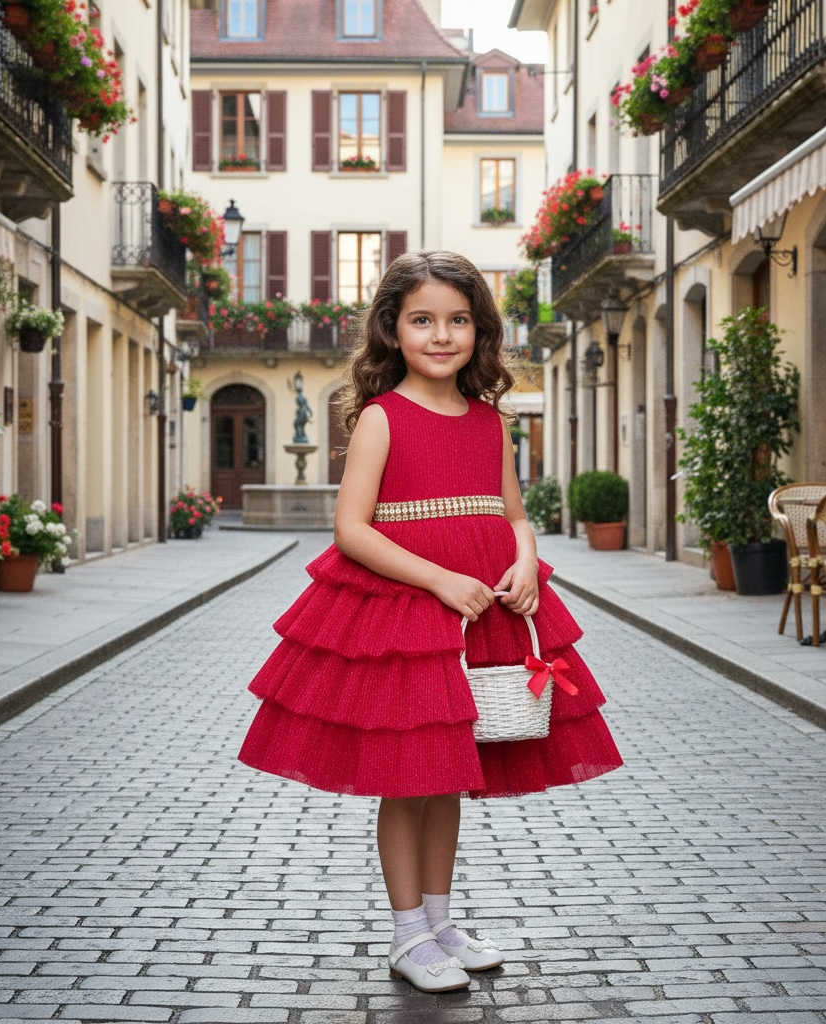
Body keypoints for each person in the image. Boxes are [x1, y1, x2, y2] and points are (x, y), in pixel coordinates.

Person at [238, 250, 622, 993]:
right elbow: (352, 529)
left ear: (480, 333)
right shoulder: (382, 418)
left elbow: (514, 512)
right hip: (408, 614)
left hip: (484, 610)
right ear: (393, 329)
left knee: (448, 776)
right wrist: (441, 578)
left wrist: (524, 559)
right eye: (423, 320)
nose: (441, 335)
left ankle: (441, 921)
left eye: (458, 321)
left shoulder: (489, 423)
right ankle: (407, 932)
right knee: (407, 776)